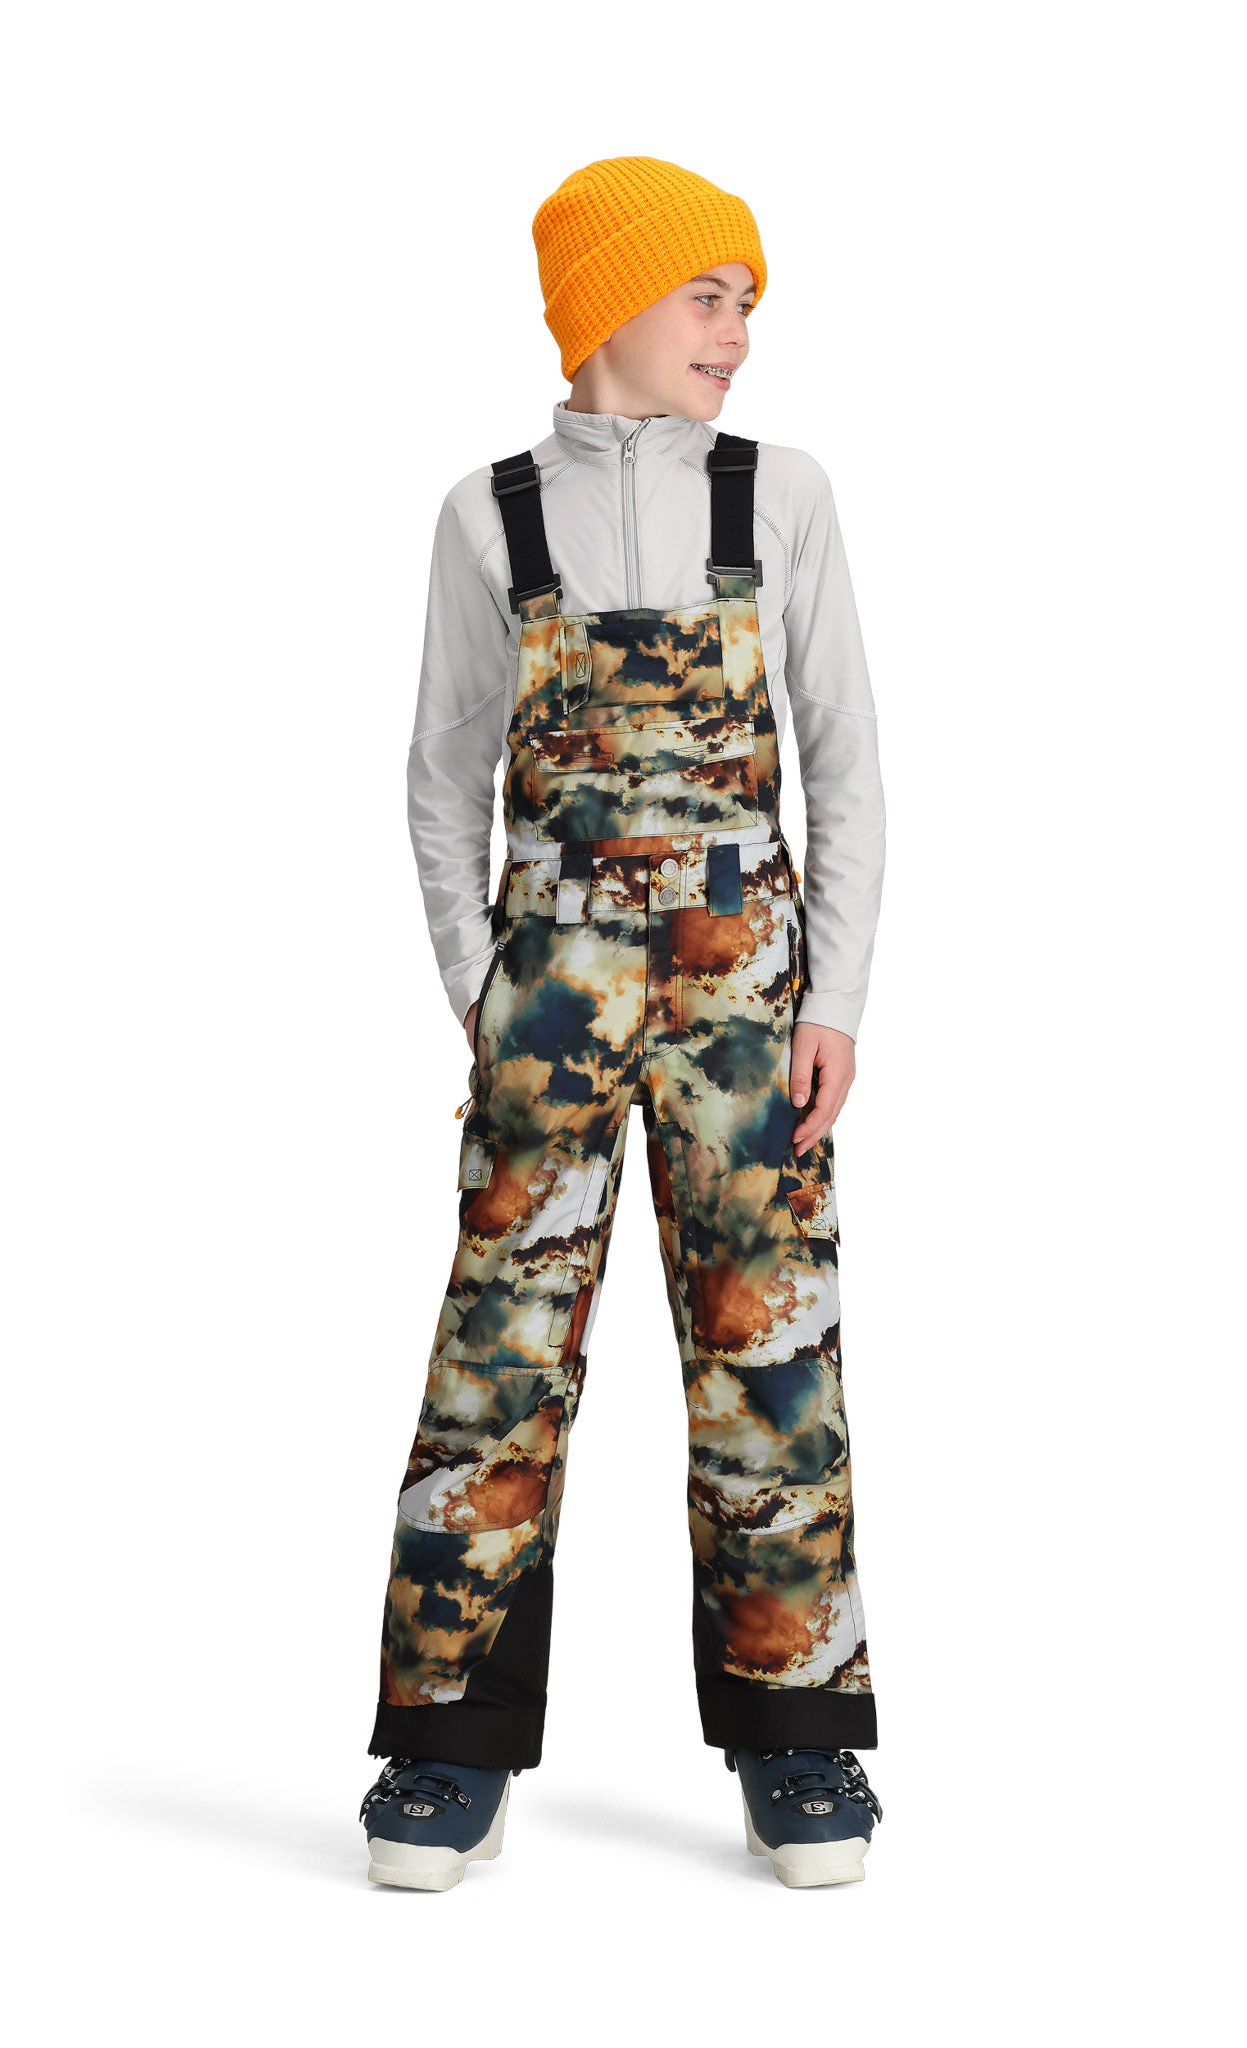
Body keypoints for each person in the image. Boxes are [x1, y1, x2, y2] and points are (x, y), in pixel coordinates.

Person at [357, 156, 888, 1891]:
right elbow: (442, 774)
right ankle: (446, 1749)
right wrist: (482, 982)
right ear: (608, 302)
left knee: (768, 1352)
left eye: (749, 304)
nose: (738, 332)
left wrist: (835, 996)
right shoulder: (488, 515)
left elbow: (845, 759)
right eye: (708, 296)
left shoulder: (781, 494)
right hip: (552, 987)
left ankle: (797, 1736)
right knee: (498, 1353)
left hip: (749, 998)